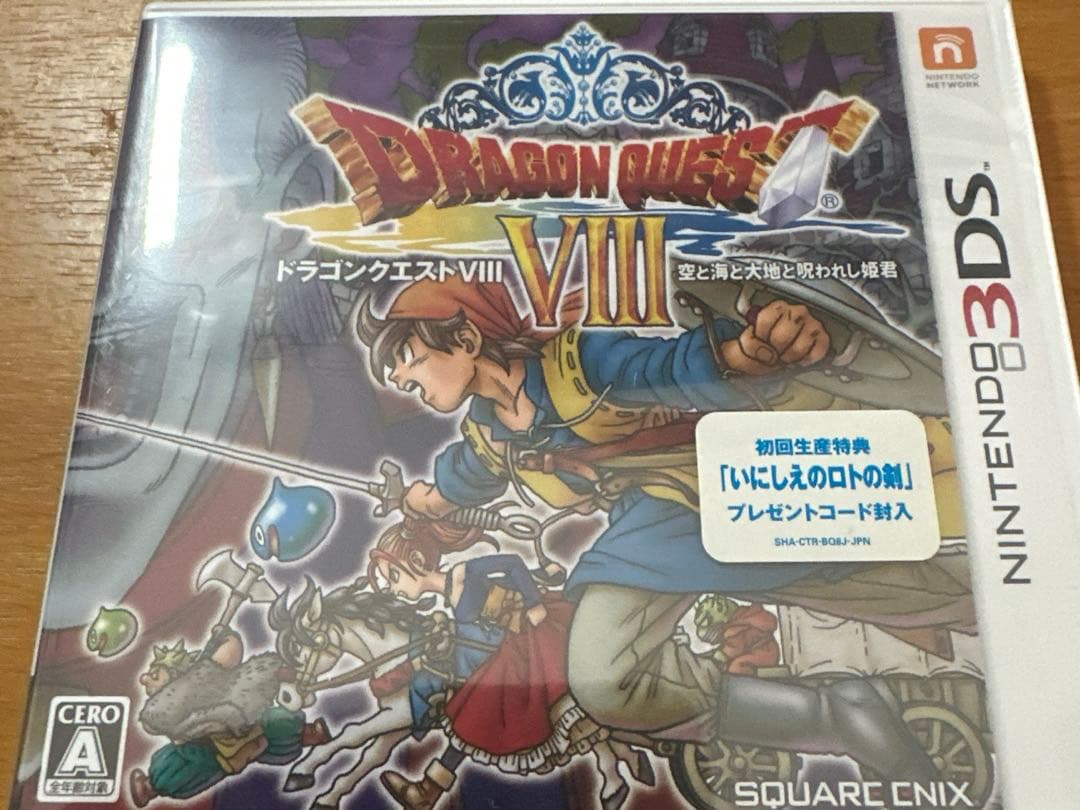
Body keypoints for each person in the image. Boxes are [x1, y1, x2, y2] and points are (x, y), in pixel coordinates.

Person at [355, 276, 938, 785]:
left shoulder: (576, 364)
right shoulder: (490, 431)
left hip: (711, 490)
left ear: (464, 338)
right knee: (605, 680)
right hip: (651, 528)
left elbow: (665, 368)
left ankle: (844, 713)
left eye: (408, 357)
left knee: (922, 590)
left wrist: (746, 354)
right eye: (394, 370)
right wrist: (416, 499)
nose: (401, 377)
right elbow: (460, 481)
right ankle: (836, 715)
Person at [368, 518, 640, 810]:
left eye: (393, 576)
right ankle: (617, 765)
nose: (392, 589)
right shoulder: (448, 598)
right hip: (505, 653)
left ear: (416, 560)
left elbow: (512, 563)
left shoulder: (461, 575)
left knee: (476, 714)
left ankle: (427, 791)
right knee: (472, 713)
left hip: (528, 641)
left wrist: (533, 603)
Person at [128, 632, 330, 806]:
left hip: (229, 737)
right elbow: (204, 761)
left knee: (267, 722)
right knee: (268, 723)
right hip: (225, 745)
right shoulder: (168, 778)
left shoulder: (164, 770)